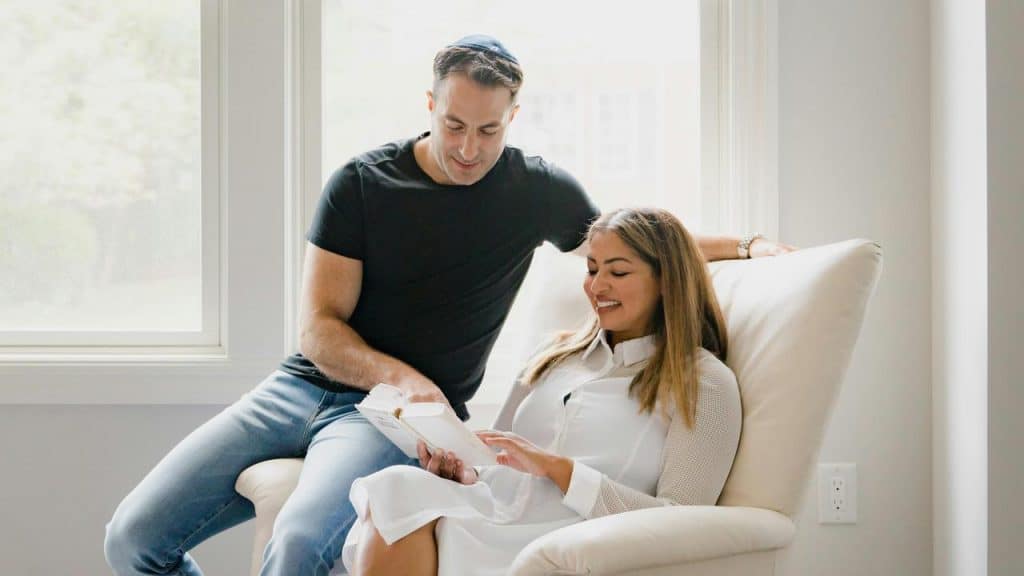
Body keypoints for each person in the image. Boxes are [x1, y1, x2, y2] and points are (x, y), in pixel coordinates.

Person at [104, 35, 789, 576]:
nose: (468, 148)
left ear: (512, 118)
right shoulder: (362, 183)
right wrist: (398, 375)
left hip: (395, 422)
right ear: (428, 104)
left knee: (301, 544)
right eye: (454, 124)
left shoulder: (535, 190)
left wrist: (749, 244)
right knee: (132, 539)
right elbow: (318, 330)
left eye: (488, 131)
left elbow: (639, 245)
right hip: (304, 388)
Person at [342, 207, 741, 576]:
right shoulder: (554, 356)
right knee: (398, 487)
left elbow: (684, 522)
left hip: (575, 541)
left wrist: (559, 469)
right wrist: (462, 472)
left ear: (667, 282)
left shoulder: (703, 382)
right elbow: (490, 460)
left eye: (618, 273)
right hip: (493, 514)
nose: (597, 286)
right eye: (591, 268)